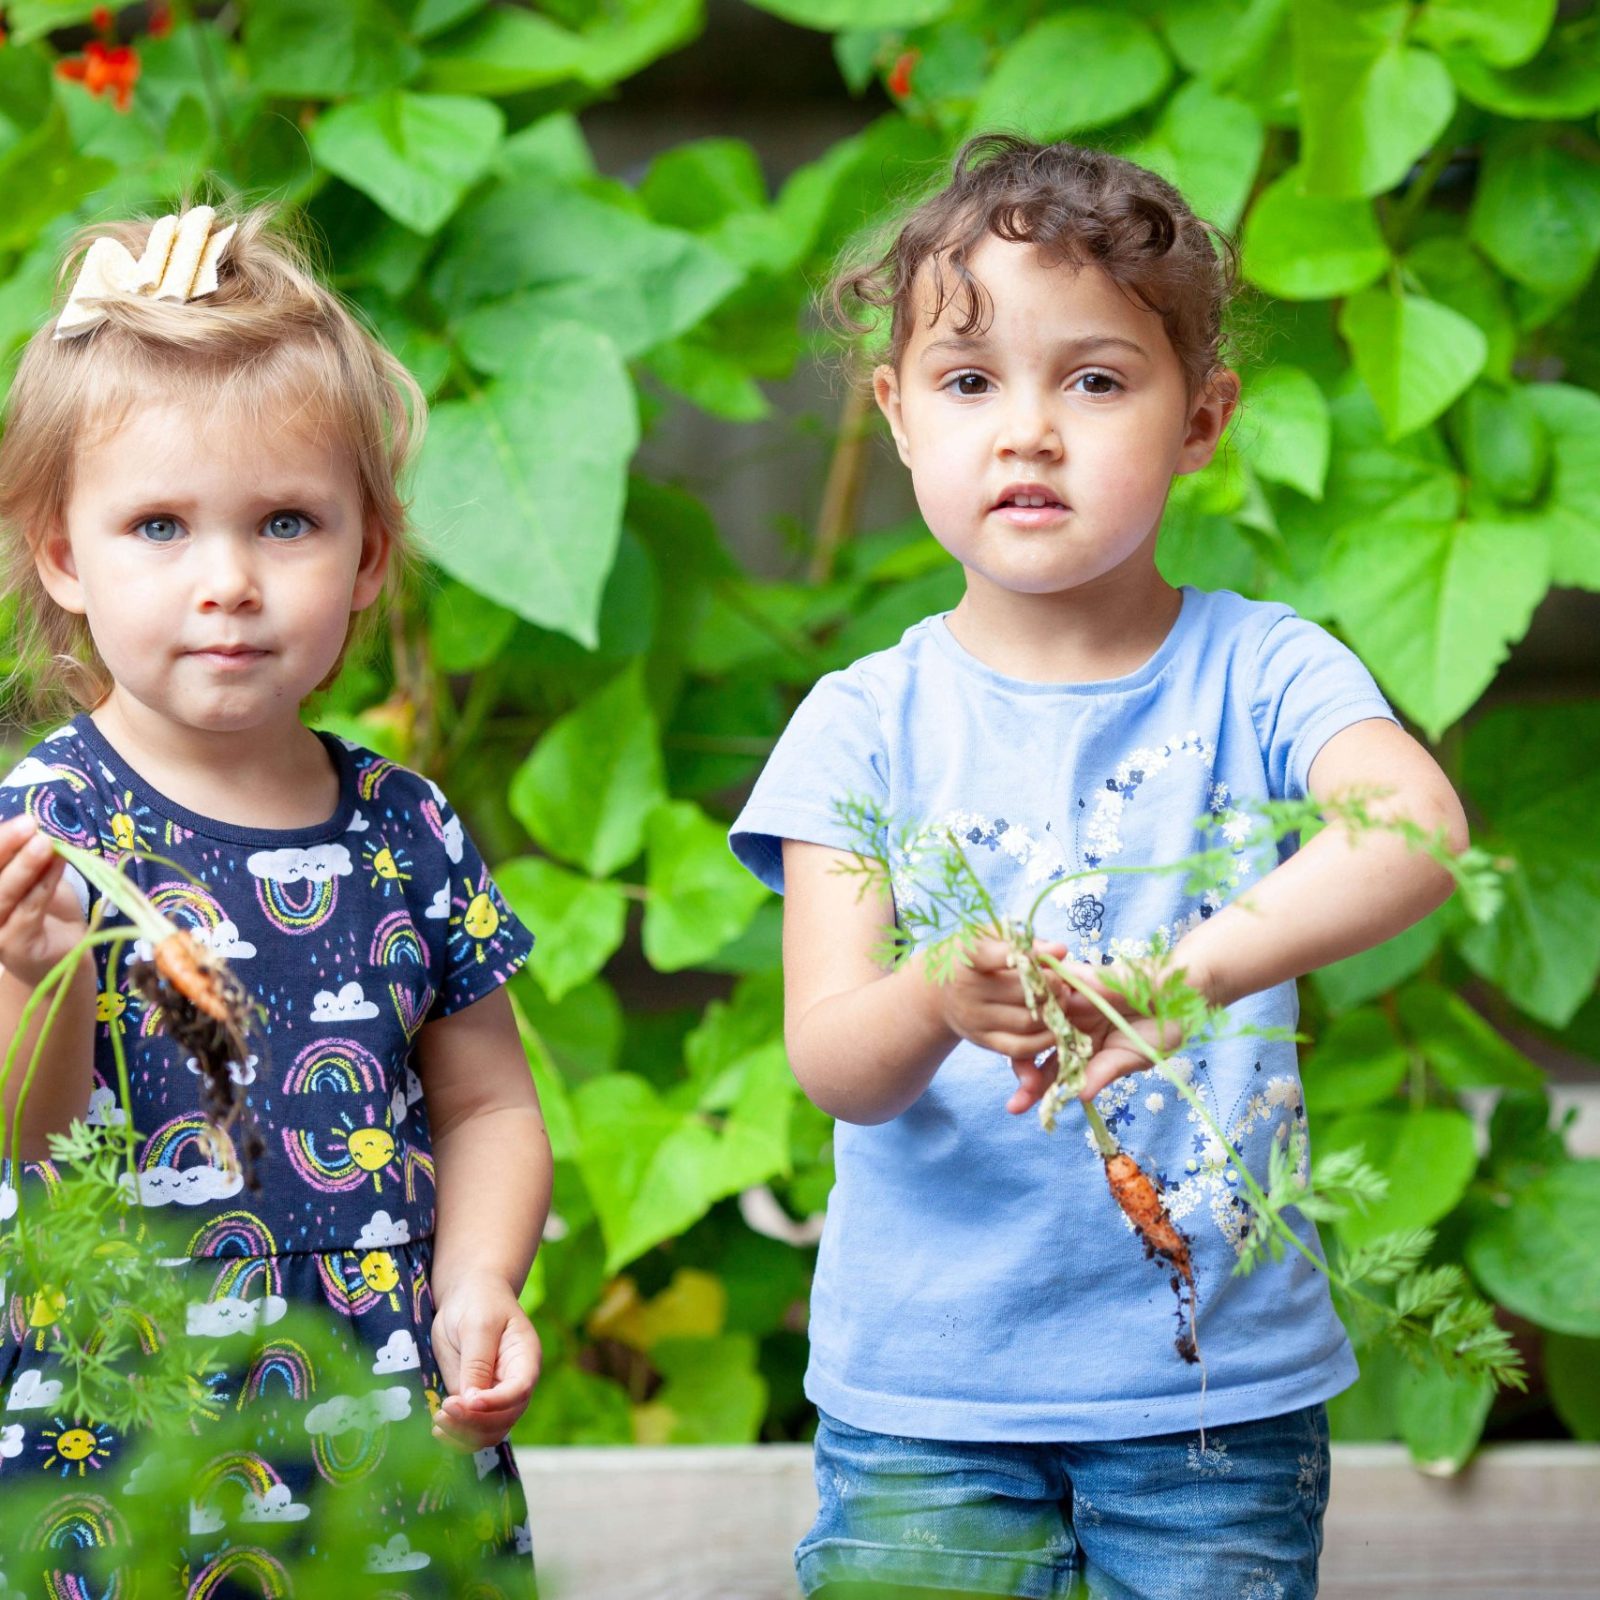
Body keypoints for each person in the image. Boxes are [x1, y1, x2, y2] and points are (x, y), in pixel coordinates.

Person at [729, 136, 1469, 1600]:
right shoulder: (865, 723)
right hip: (925, 1411)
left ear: (1203, 420)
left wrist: (1183, 982)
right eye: (969, 380)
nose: (1028, 432)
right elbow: (834, 1060)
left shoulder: (1262, 670)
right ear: (895, 414)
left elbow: (1418, 829)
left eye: (1095, 380)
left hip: (1213, 1406)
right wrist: (936, 990)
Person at [0, 205, 549, 1591]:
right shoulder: (38, 830)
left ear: (369, 556)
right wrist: (27, 973)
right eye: (161, 527)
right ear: (65, 554)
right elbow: (27, 1147)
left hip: (382, 1410)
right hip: (121, 1426)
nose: (229, 583)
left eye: (287, 523)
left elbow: (489, 1102)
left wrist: (481, 1284)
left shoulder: (402, 825)